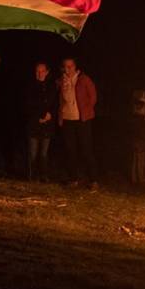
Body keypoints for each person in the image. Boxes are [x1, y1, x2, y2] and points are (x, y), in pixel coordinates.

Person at [58, 57, 98, 190]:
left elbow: (93, 97)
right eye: (65, 66)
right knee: (70, 150)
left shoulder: (84, 79)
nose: (68, 69)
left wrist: (86, 110)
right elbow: (61, 99)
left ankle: (93, 180)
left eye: (70, 66)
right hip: (68, 119)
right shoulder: (62, 80)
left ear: (75, 67)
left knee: (86, 149)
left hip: (82, 119)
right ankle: (73, 179)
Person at [24, 62, 56, 182]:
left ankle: (44, 175)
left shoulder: (51, 86)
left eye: (42, 71)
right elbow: (29, 104)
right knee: (33, 153)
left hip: (47, 124)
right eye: (37, 71)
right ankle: (32, 176)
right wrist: (40, 115)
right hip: (34, 124)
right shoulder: (30, 86)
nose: (39, 73)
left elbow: (54, 103)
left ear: (47, 72)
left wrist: (49, 114)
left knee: (43, 153)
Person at [129, 90, 145, 188]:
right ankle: (141, 180)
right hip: (140, 144)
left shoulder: (134, 118)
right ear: (140, 109)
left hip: (135, 143)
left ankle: (134, 179)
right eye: (144, 108)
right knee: (140, 162)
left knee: (135, 162)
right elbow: (142, 132)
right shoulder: (140, 119)